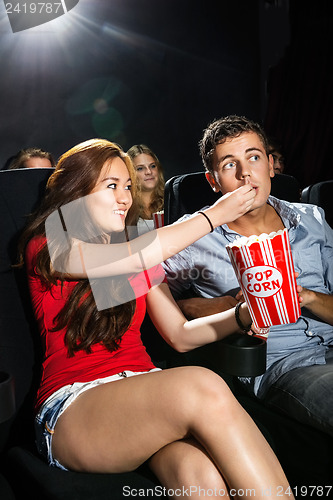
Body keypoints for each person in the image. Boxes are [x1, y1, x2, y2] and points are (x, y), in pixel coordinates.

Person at [18, 138, 293, 498]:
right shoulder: (51, 243)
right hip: (74, 406)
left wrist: (242, 316)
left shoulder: (133, 249)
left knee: (203, 477)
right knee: (202, 385)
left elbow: (180, 334)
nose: (125, 197)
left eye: (128, 187)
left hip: (142, 395)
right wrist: (215, 215)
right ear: (77, 192)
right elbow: (136, 255)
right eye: (111, 186)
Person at [163, 115, 333, 438]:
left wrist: (307, 296)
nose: (245, 174)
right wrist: (219, 306)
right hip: (284, 365)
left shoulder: (312, 219)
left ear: (271, 165)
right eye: (230, 165)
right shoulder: (195, 237)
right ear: (213, 181)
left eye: (254, 158)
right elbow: (148, 288)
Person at [127, 144, 165, 235]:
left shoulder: (172, 202)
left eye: (152, 166)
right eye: (140, 168)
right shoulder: (125, 209)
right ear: (129, 173)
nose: (149, 172)